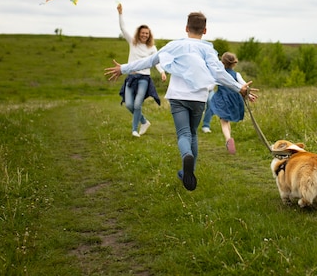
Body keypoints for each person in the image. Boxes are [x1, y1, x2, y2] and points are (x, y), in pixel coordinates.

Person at [105, 11, 257, 191]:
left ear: (186, 28)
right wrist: (239, 88)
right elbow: (219, 73)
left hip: (177, 97)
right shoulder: (207, 49)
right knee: (193, 133)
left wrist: (123, 68)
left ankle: (186, 158)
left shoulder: (174, 45)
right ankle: (188, 171)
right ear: (205, 30)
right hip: (198, 99)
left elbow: (149, 61)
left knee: (183, 134)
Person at [117, 3, 167, 137]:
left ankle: (134, 129)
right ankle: (144, 122)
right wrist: (120, 13)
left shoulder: (152, 48)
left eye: (147, 33)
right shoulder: (132, 42)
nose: (144, 35)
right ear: (139, 33)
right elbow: (122, 28)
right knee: (129, 105)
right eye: (143, 33)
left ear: (149, 35)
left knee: (138, 104)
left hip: (144, 78)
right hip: (131, 77)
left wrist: (162, 72)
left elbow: (156, 61)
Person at [208, 52, 248, 155]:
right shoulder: (236, 74)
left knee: (224, 122)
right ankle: (229, 140)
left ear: (222, 62)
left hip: (223, 99)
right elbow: (244, 85)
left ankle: (228, 139)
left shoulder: (219, 74)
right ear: (234, 63)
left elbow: (210, 87)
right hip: (235, 99)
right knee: (227, 120)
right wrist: (248, 94)